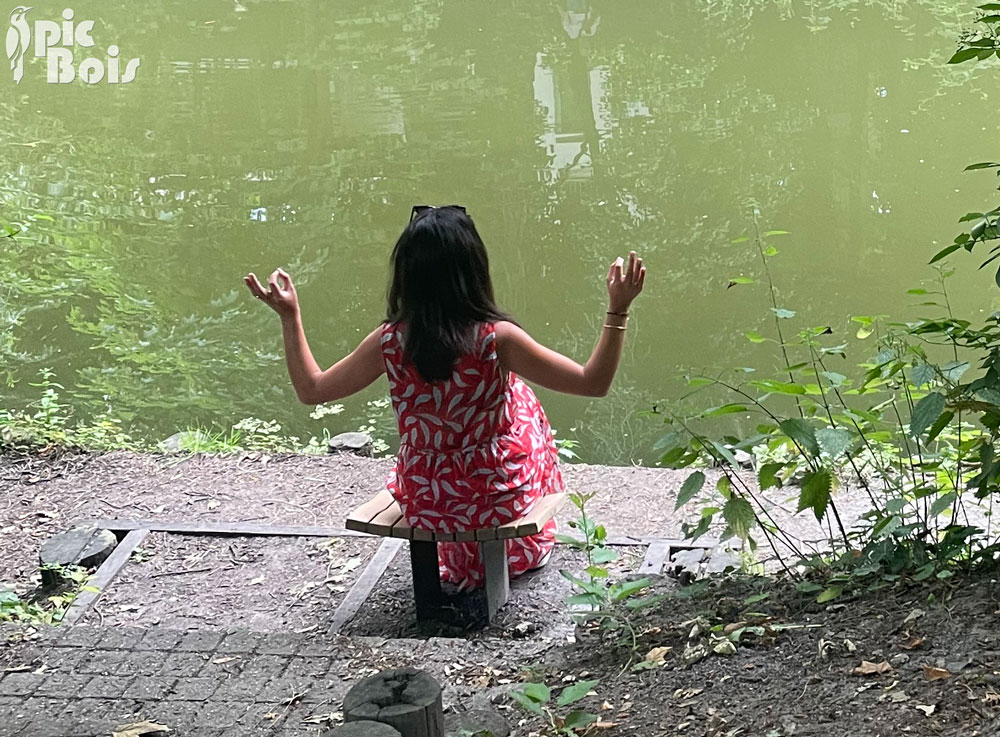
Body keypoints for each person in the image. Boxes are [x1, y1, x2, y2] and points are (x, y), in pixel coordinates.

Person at [244, 205, 645, 590]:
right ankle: (511, 534)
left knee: (506, 396)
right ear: (473, 269)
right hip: (495, 501)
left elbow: (312, 390)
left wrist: (289, 317)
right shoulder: (497, 339)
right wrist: (618, 310)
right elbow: (593, 383)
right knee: (518, 395)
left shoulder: (389, 341)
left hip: (428, 501)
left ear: (407, 276)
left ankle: (459, 547)